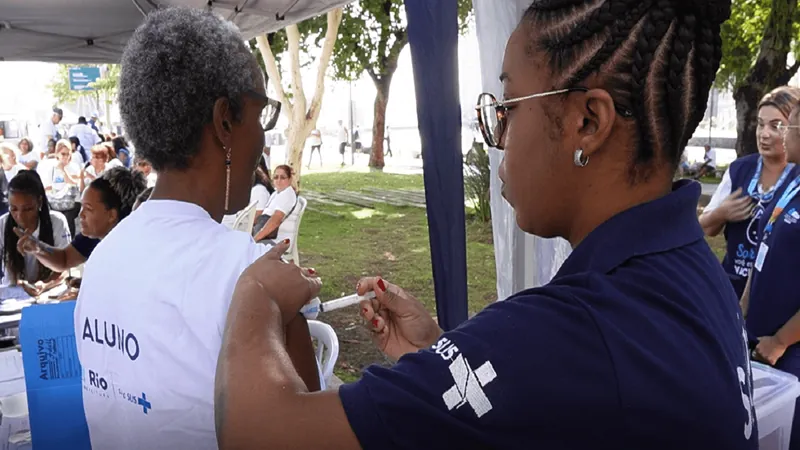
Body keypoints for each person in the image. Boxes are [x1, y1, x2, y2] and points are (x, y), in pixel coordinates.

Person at [215, 1, 758, 449]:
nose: (493, 133)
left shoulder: (571, 331)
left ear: (587, 123)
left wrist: (256, 293)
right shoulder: (692, 272)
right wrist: (447, 359)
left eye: (507, 107)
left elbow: (259, 432)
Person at [73, 8, 318, 450]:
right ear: (225, 120)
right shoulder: (250, 274)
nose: (265, 140)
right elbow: (310, 437)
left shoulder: (105, 256)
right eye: (261, 115)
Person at [699, 86, 800, 297]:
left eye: (777, 126)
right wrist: (721, 214)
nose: (764, 134)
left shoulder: (796, 177)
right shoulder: (740, 170)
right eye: (760, 124)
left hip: (779, 293)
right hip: (731, 287)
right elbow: (704, 228)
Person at [742, 98, 800, 450]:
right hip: (760, 340)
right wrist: (744, 303)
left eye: (787, 126)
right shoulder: (791, 177)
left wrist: (779, 342)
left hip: (787, 351)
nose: (780, 135)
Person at [16, 168, 146, 287]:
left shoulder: (135, 247)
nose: (80, 215)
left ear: (112, 215)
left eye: (88, 209)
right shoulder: (94, 235)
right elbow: (64, 259)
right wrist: (38, 248)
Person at [0, 171, 70, 295]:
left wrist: (45, 285)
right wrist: (18, 283)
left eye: (27, 209)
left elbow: (65, 267)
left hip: (49, 292)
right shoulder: (3, 224)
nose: (20, 216)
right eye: (13, 209)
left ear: (39, 202)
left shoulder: (57, 222)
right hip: (13, 294)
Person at [252, 164, 297, 243]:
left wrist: (255, 239)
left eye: (282, 178)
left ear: (289, 179)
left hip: (269, 235)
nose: (278, 180)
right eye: (276, 177)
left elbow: (275, 220)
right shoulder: (277, 192)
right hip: (262, 227)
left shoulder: (287, 194)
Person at [45, 140, 82, 236]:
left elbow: (74, 183)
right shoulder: (51, 168)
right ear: (57, 154)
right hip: (56, 201)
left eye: (68, 154)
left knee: (67, 218)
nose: (65, 157)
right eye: (63, 154)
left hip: (72, 201)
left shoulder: (74, 166)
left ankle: (70, 240)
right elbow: (48, 186)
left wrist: (63, 170)